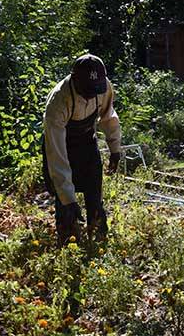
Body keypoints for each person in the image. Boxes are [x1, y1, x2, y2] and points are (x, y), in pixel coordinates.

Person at [43, 54, 121, 244]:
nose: (91, 95)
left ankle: (98, 236)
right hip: (61, 144)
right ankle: (68, 236)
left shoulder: (104, 87)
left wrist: (115, 149)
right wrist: (68, 199)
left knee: (94, 190)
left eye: (95, 91)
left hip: (87, 142)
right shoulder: (59, 101)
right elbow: (57, 154)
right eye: (87, 91)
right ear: (74, 80)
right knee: (64, 203)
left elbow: (108, 117)